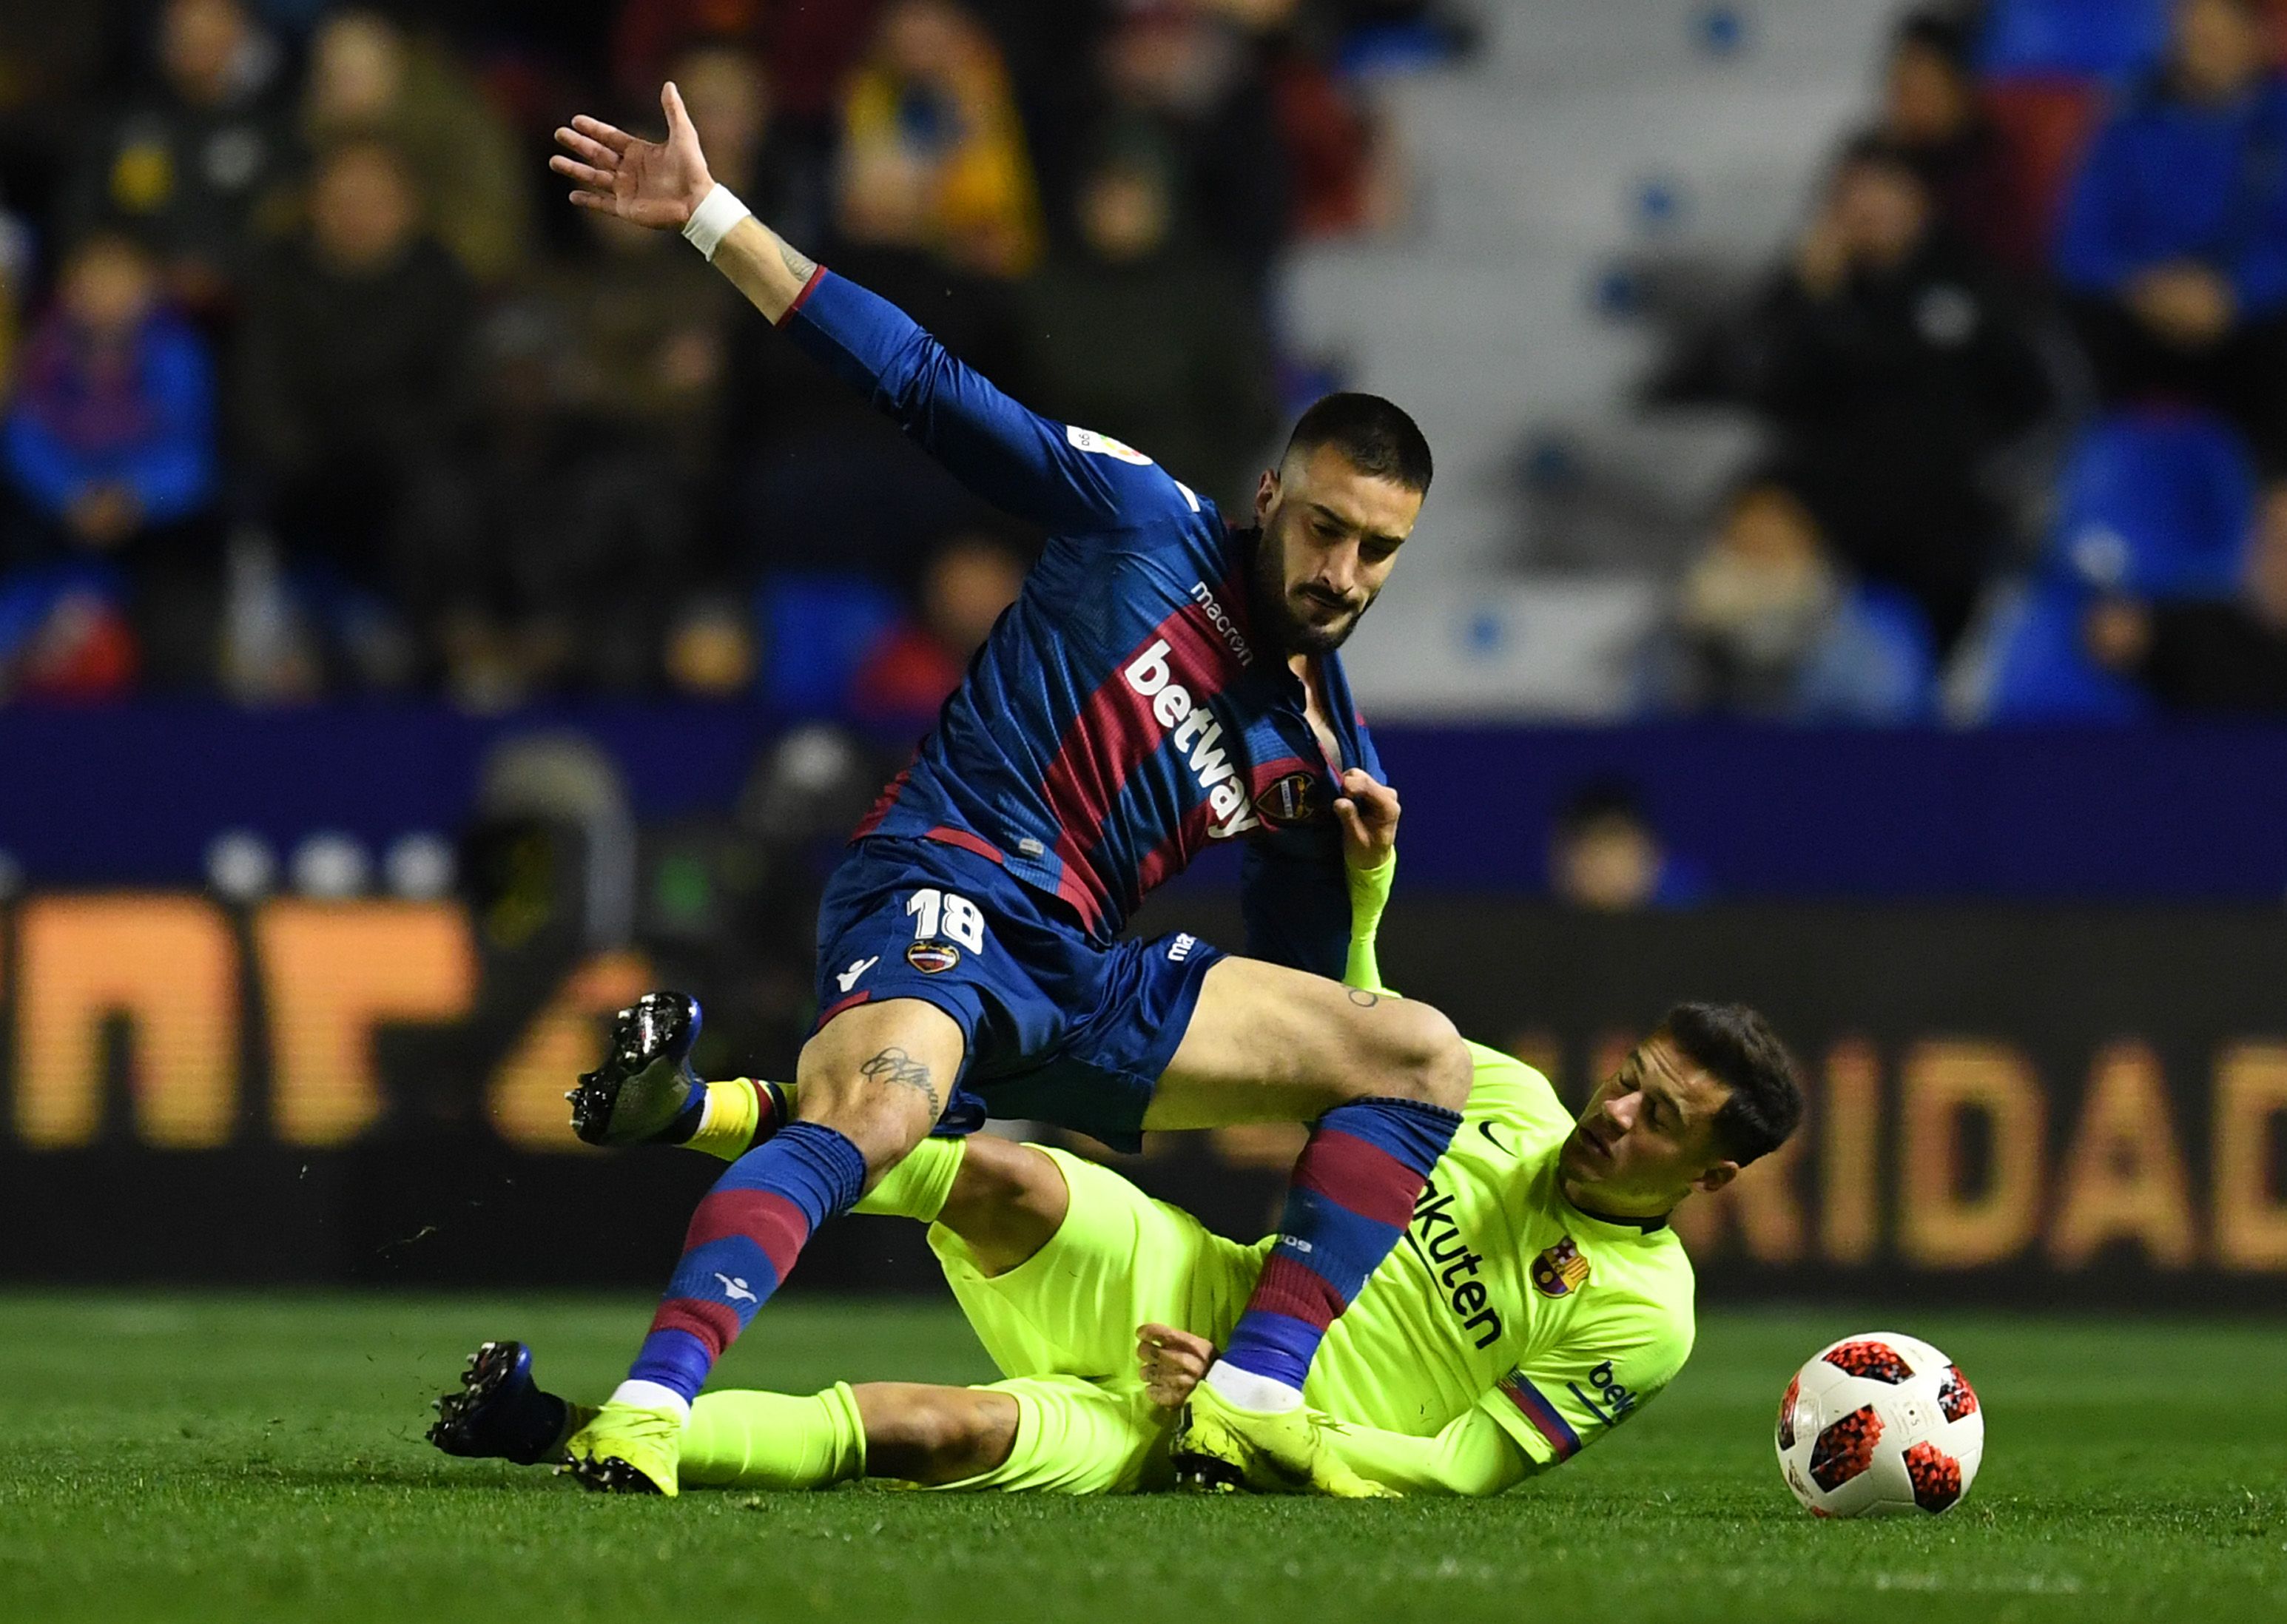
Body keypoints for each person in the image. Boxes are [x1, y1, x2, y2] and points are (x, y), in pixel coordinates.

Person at [546, 82, 1475, 1498]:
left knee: (1417, 1057)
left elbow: (1316, 1021)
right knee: (880, 1120)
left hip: (1084, 979)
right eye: (1326, 529)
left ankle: (1253, 1397)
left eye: (1377, 553)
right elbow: (921, 383)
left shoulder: (1327, 763)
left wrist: (1363, 882)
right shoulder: (1139, 520)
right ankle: (649, 1410)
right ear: (1273, 491)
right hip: (949, 883)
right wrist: (712, 218)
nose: (1341, 575)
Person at [430, 836, 1803, 1497]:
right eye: (1632, 1080)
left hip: (1219, 1423)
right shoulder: (1507, 1100)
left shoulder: (1645, 1318)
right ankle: (687, 1111)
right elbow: (1368, 1039)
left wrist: (1271, 1430)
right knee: (1007, 1174)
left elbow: (1456, 1472)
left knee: (935, 1430)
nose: (1617, 1115)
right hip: (1201, 1286)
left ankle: (556, 1430)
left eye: (1662, 1118)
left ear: (1712, 1176)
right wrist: (1366, 896)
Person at [1743, 135, 2051, 650]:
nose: (1868, 208)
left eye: (1885, 190)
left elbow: (2033, 396)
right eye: (1851, 194)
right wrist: (1812, 301)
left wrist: (1985, 469)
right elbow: (1765, 390)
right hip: (1832, 508)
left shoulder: (1973, 281)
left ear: (1920, 199)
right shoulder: (1810, 287)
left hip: (1944, 508)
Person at [2055, 0, 2287, 463]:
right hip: (2142, 308)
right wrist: (2142, 287)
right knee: (2068, 328)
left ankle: (2275, 505)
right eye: (2192, 35)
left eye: (2216, 37)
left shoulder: (2277, 124)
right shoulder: (2128, 119)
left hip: (2242, 317)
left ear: (2253, 41)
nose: (2202, 49)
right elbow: (2077, 241)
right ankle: (2088, 489)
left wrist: (2235, 294)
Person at [2084, 478, 2287, 710]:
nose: (2282, 566)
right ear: (2250, 548)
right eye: (2277, 544)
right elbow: (2118, 635)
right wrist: (2117, 631)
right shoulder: (2199, 632)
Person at [849, 530, 1029, 732]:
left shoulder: (1044, 673)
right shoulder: (904, 673)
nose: (977, 604)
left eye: (992, 587)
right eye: (964, 592)